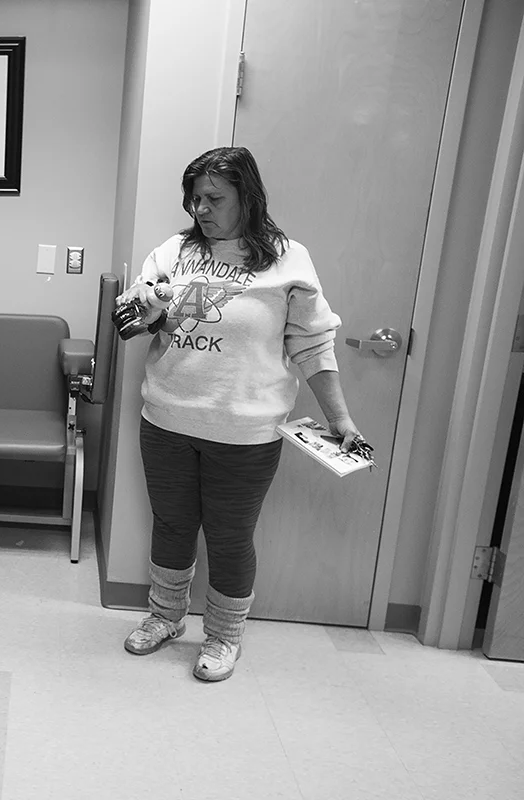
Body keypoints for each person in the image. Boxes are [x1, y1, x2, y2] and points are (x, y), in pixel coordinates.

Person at [115, 146, 366, 682]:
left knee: (229, 536)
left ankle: (225, 637)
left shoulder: (287, 259)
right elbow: (133, 322)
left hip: (246, 431)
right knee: (172, 524)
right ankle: (165, 617)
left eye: (213, 198)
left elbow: (313, 345)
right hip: (166, 420)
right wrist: (147, 308)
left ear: (246, 198)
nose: (200, 209)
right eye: (193, 198)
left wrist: (340, 419)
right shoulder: (173, 251)